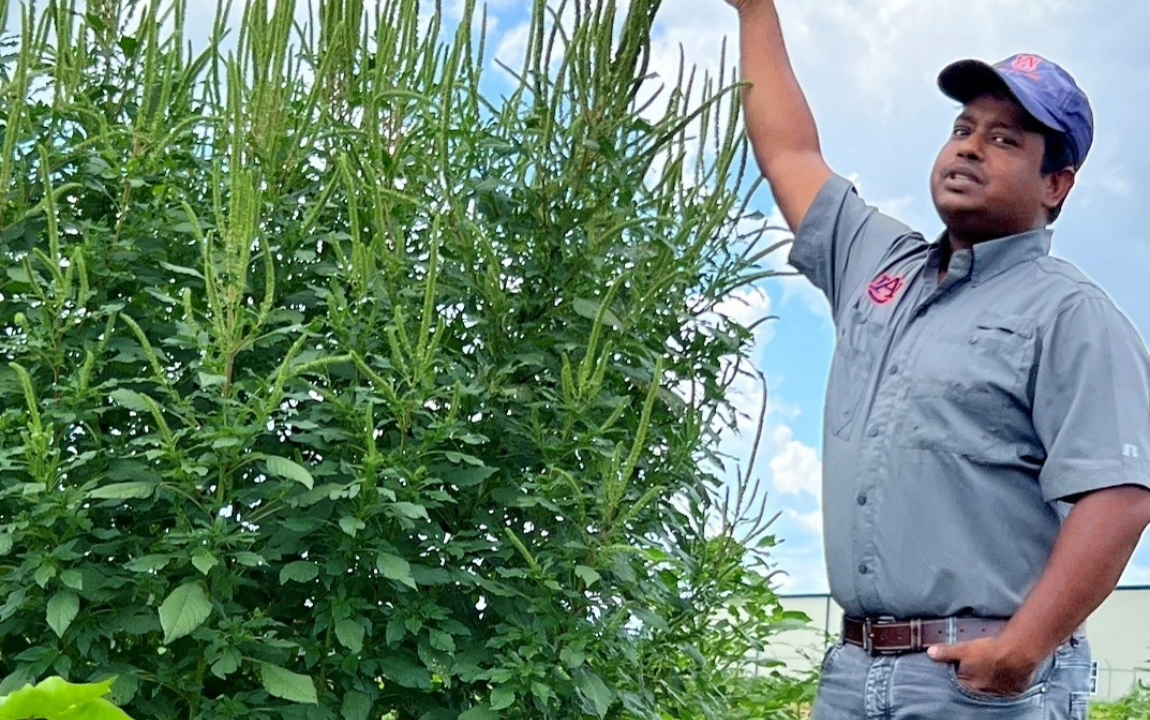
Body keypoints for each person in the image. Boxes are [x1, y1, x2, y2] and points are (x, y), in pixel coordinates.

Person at [721, 1, 1150, 718]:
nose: (970, 149)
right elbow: (791, 155)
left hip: (979, 686)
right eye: (963, 130)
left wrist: (1021, 652)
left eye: (1006, 140)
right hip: (854, 675)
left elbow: (1122, 495)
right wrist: (755, 9)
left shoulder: (1071, 314)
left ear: (1057, 185)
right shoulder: (876, 266)